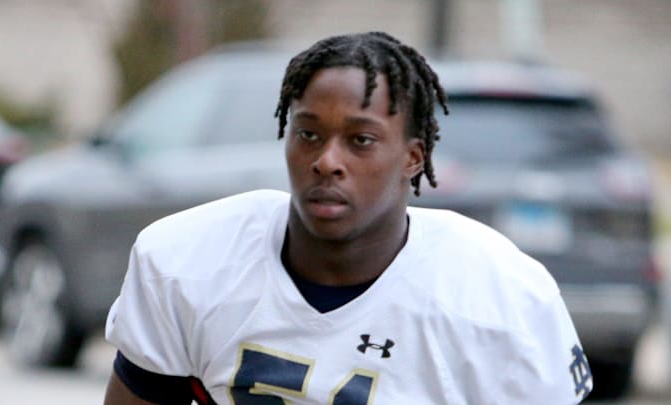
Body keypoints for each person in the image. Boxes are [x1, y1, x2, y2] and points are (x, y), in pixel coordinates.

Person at [104, 31, 592, 404]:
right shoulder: (190, 260)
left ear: (412, 157)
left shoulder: (497, 295)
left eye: (360, 139)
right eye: (308, 134)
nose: (327, 160)